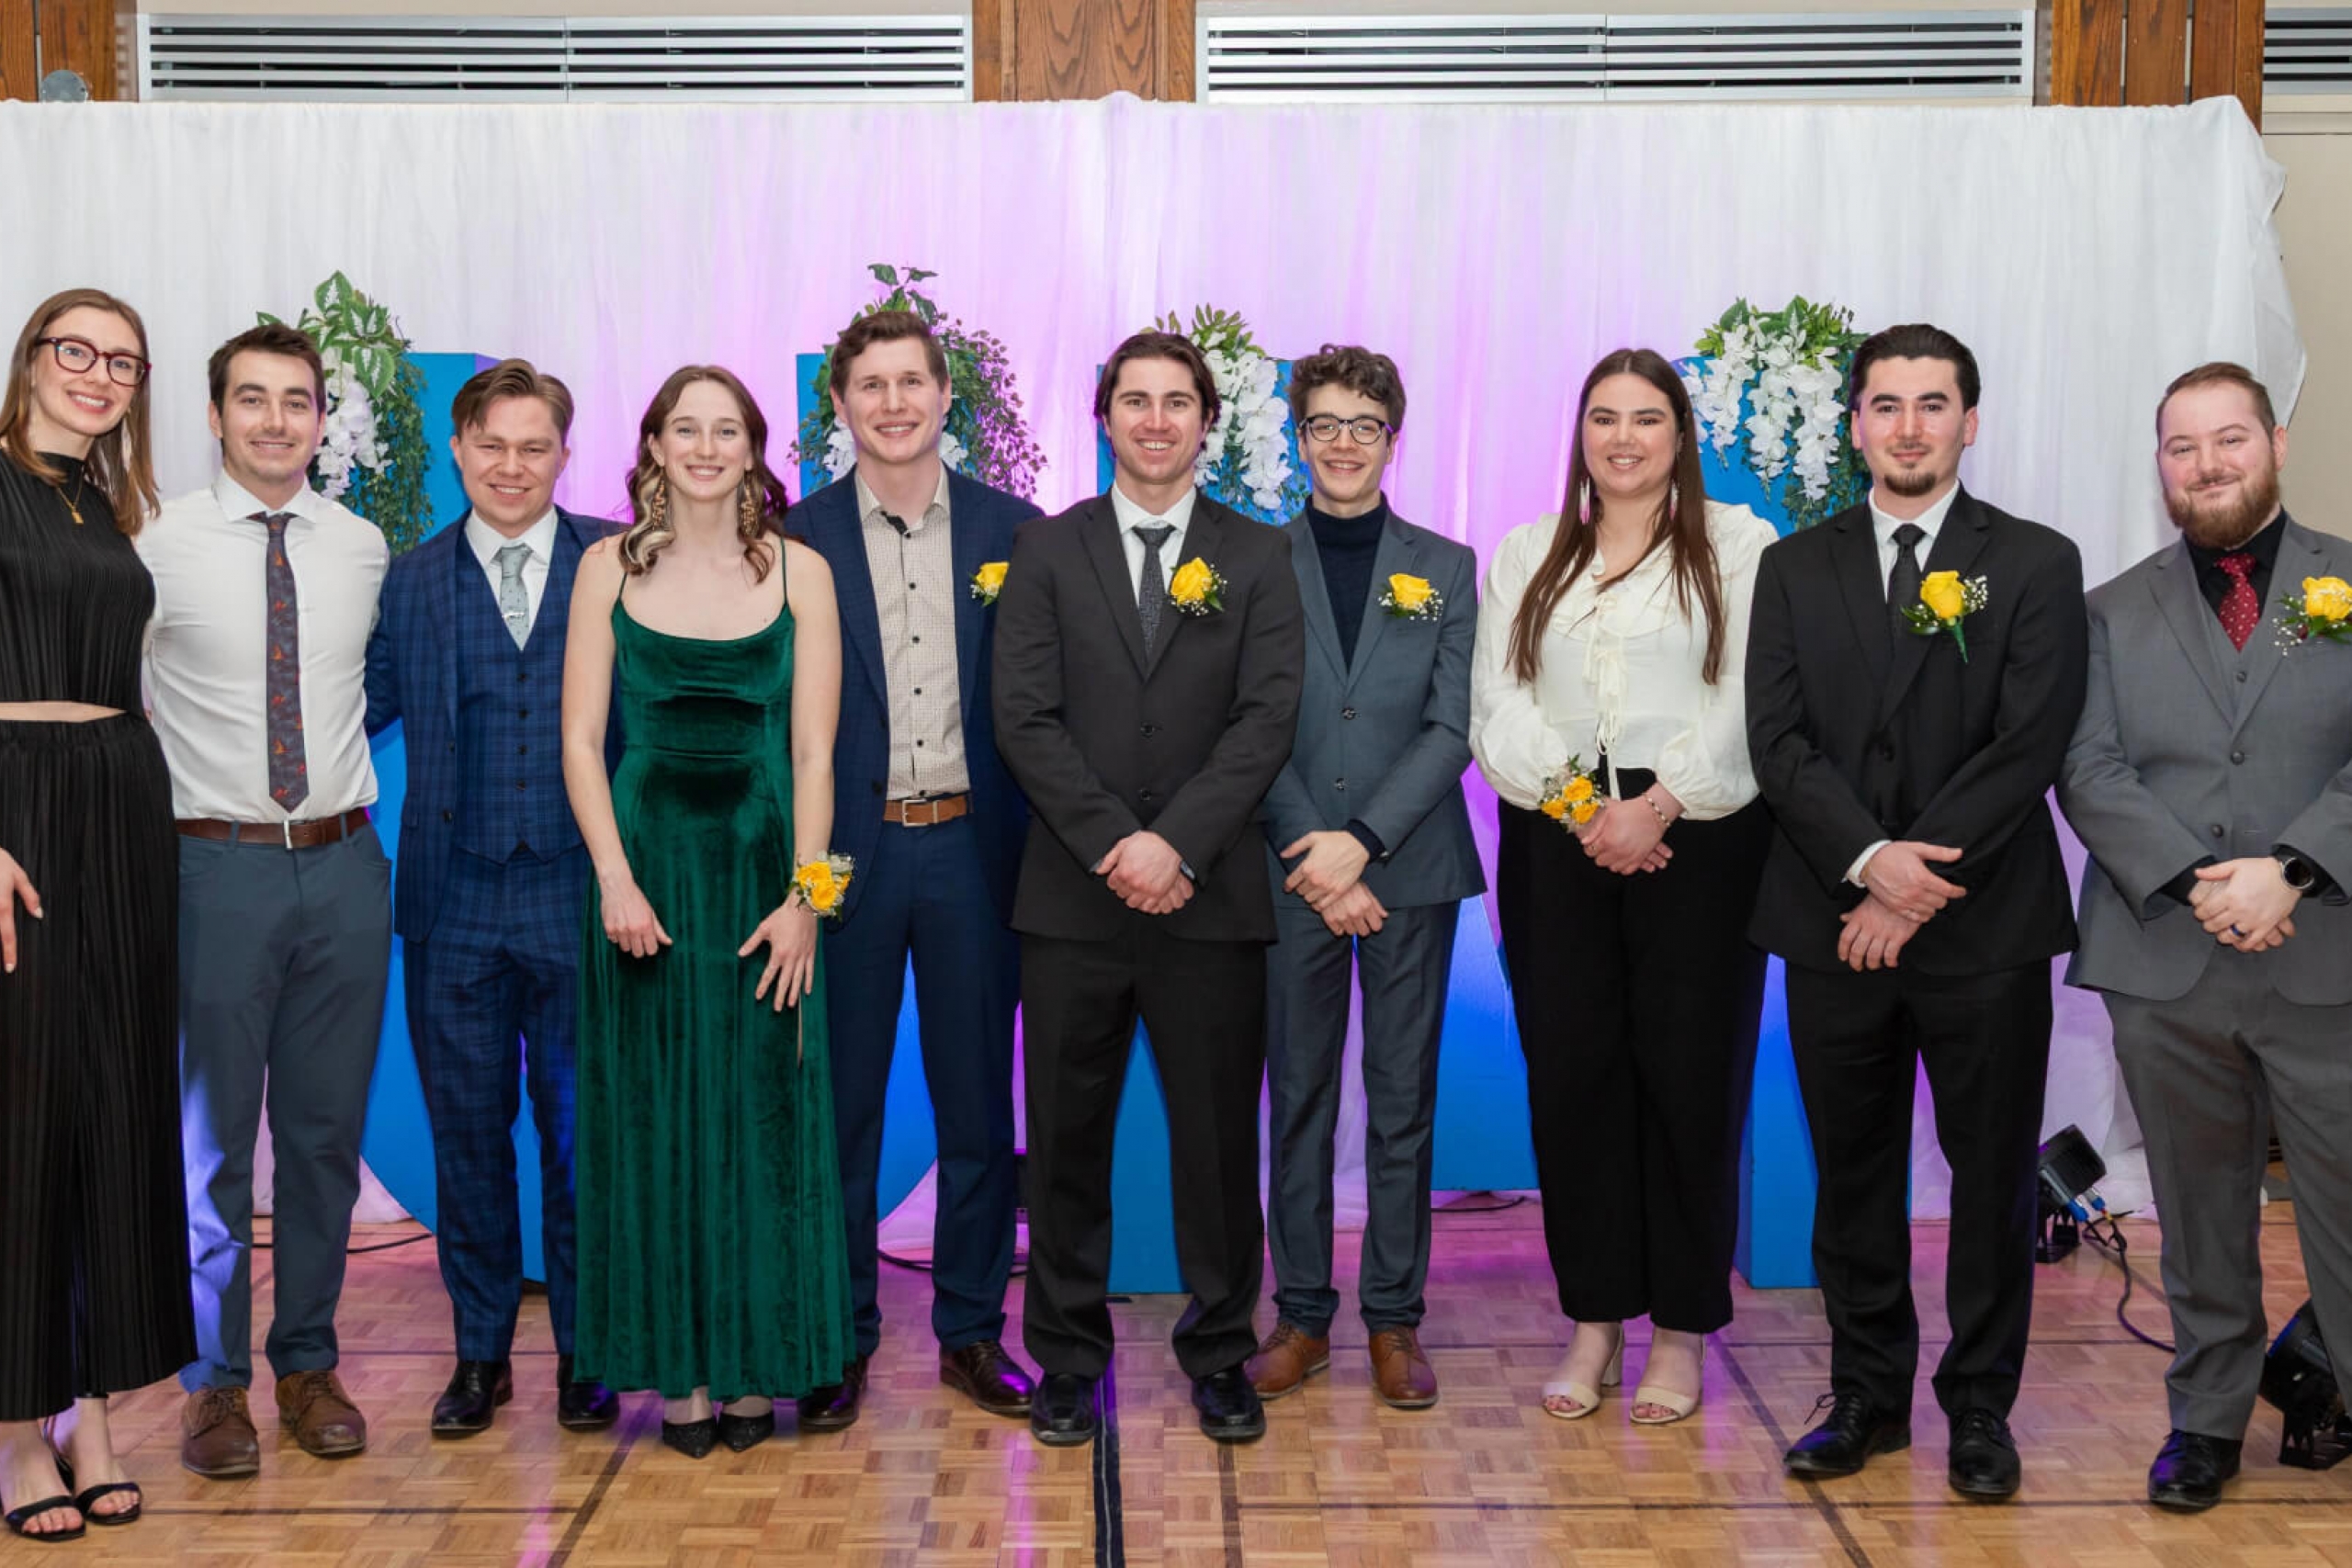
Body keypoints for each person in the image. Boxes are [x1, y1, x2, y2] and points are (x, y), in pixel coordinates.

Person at [1745, 323, 2086, 1499]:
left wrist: (1911, 879)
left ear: (1969, 422)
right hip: (1833, 920)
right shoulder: (1794, 566)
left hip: (1981, 923)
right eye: (1884, 405)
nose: (1907, 427)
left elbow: (2026, 744)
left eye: (1931, 404)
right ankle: (1866, 1396)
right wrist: (1867, 863)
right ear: (1852, 425)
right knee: (1853, 1175)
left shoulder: (2035, 562)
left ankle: (1981, 1408)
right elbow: (1777, 745)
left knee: (1991, 1176)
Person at [992, 329, 1304, 1448]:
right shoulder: (1046, 549)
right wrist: (1116, 846)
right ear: (1104, 416)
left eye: (1179, 403)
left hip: (1209, 900)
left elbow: (1265, 719)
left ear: (1206, 424)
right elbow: (1021, 717)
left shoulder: (1258, 556)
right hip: (1072, 903)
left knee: (1218, 1148)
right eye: (1136, 401)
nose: (1157, 420)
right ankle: (1068, 1360)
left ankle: (1221, 1352)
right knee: (1065, 1143)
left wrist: (1174, 844)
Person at [2058, 361, 2352, 1512]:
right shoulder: (2110, 610)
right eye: (2182, 447)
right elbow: (2087, 767)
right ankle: (2206, 1421)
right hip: (2165, 959)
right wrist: (2200, 882)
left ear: (2275, 442)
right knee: (2196, 1209)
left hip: (2325, 948)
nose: (2207, 464)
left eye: (2228, 440)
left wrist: (2289, 870)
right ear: (2160, 464)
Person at [1469, 347, 1777, 1426]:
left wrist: (1655, 805)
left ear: (1680, 436)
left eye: (1648, 419)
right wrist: (1579, 808)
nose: (1624, 438)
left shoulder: (1739, 546)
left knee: (1689, 1082)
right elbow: (1495, 703)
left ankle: (1684, 1332)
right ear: (1581, 435)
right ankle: (1595, 1320)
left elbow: (1748, 695)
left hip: (1697, 837)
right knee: (1575, 1081)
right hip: (1558, 841)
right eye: (1604, 417)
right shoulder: (1528, 553)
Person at [562, 365, 853, 1458]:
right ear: (653, 444)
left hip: (764, 871)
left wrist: (807, 902)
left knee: (761, 1121)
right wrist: (614, 880)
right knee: (652, 1118)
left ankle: (756, 1369)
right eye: (685, 428)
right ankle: (677, 1373)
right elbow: (583, 742)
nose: (704, 446)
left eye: (724, 429)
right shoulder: (604, 569)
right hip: (646, 879)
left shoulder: (803, 574)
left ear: (752, 448)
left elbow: (818, 750)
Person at [141, 322, 394, 1479]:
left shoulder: (360, 546)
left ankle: (306, 1362)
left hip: (346, 866)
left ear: (320, 416)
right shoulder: (155, 546)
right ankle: (215, 1385)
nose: (276, 422)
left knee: (325, 1137)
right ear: (215, 414)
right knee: (212, 1149)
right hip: (216, 869)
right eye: (253, 400)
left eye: (297, 401)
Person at [364, 359, 618, 1438]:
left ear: (566, 454)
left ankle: (586, 1351)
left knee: (579, 1139)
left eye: (535, 446)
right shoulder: (409, 581)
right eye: (493, 445)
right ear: (458, 451)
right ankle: (478, 1356)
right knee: (467, 1138)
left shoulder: (616, 561)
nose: (513, 466)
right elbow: (353, 706)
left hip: (579, 893)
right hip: (452, 906)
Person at [797, 310, 1041, 1429]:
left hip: (971, 852)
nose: (892, 404)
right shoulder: (791, 542)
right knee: (836, 1105)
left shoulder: (1016, 532)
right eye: (870, 386)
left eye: (911, 383)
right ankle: (836, 1333)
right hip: (843, 860)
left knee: (978, 1109)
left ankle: (971, 1331)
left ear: (948, 396)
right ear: (839, 405)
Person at [1245, 344, 1482, 1412]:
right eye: (1323, 425)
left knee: (1400, 1104)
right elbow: (1245, 722)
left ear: (1395, 437)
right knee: (1296, 1097)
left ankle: (1394, 1318)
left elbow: (1453, 724)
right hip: (1288, 871)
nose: (1343, 444)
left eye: (1364, 425)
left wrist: (1366, 842)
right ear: (1297, 441)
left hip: (1410, 870)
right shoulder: (1252, 563)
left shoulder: (1446, 564)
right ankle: (1299, 1315)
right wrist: (1316, 849)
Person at [0, 288, 187, 1542]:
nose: (100, 374)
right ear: (29, 360)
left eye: (122, 361)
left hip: (123, 810)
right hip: (17, 811)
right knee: (26, 1117)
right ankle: (19, 1430)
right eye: (77, 350)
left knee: (122, 1109)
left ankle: (101, 1411)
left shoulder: (107, 507)